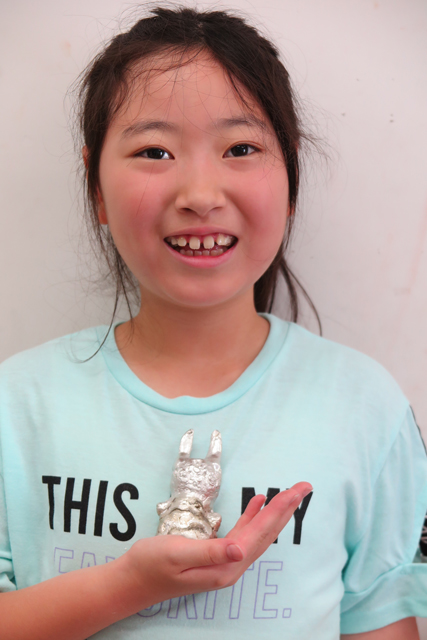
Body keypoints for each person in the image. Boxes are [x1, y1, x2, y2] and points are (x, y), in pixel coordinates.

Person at [0, 5, 426, 639]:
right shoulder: (18, 403)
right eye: (154, 150)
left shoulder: (365, 408)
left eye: (241, 148)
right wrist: (129, 585)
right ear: (96, 188)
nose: (200, 194)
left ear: (290, 176)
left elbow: (382, 623)